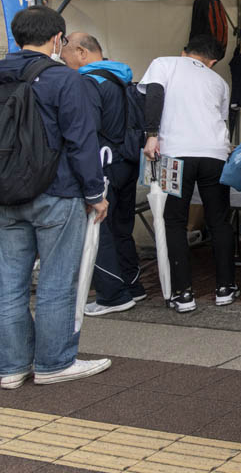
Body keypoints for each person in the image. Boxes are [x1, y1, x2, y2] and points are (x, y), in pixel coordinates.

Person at [0, 6, 111, 387]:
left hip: (3, 194)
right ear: (57, 39)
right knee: (55, 281)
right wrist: (95, 193)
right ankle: (54, 363)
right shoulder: (66, 81)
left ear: (17, 37)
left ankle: (13, 368)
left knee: (8, 284)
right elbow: (81, 142)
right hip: (57, 192)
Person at [140, 34, 237, 313]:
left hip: (175, 153)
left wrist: (152, 135)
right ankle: (225, 288)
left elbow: (154, 94)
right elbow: (222, 118)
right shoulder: (219, 81)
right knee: (219, 219)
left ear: (184, 52)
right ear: (213, 61)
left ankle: (183, 293)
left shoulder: (164, 63)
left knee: (175, 220)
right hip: (215, 153)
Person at [62, 32, 148, 315]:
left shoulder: (88, 82)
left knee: (98, 228)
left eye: (66, 53)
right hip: (127, 162)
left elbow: (85, 130)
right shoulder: (122, 78)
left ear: (81, 52)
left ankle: (112, 295)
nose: (63, 58)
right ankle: (133, 286)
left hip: (103, 163)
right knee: (122, 227)